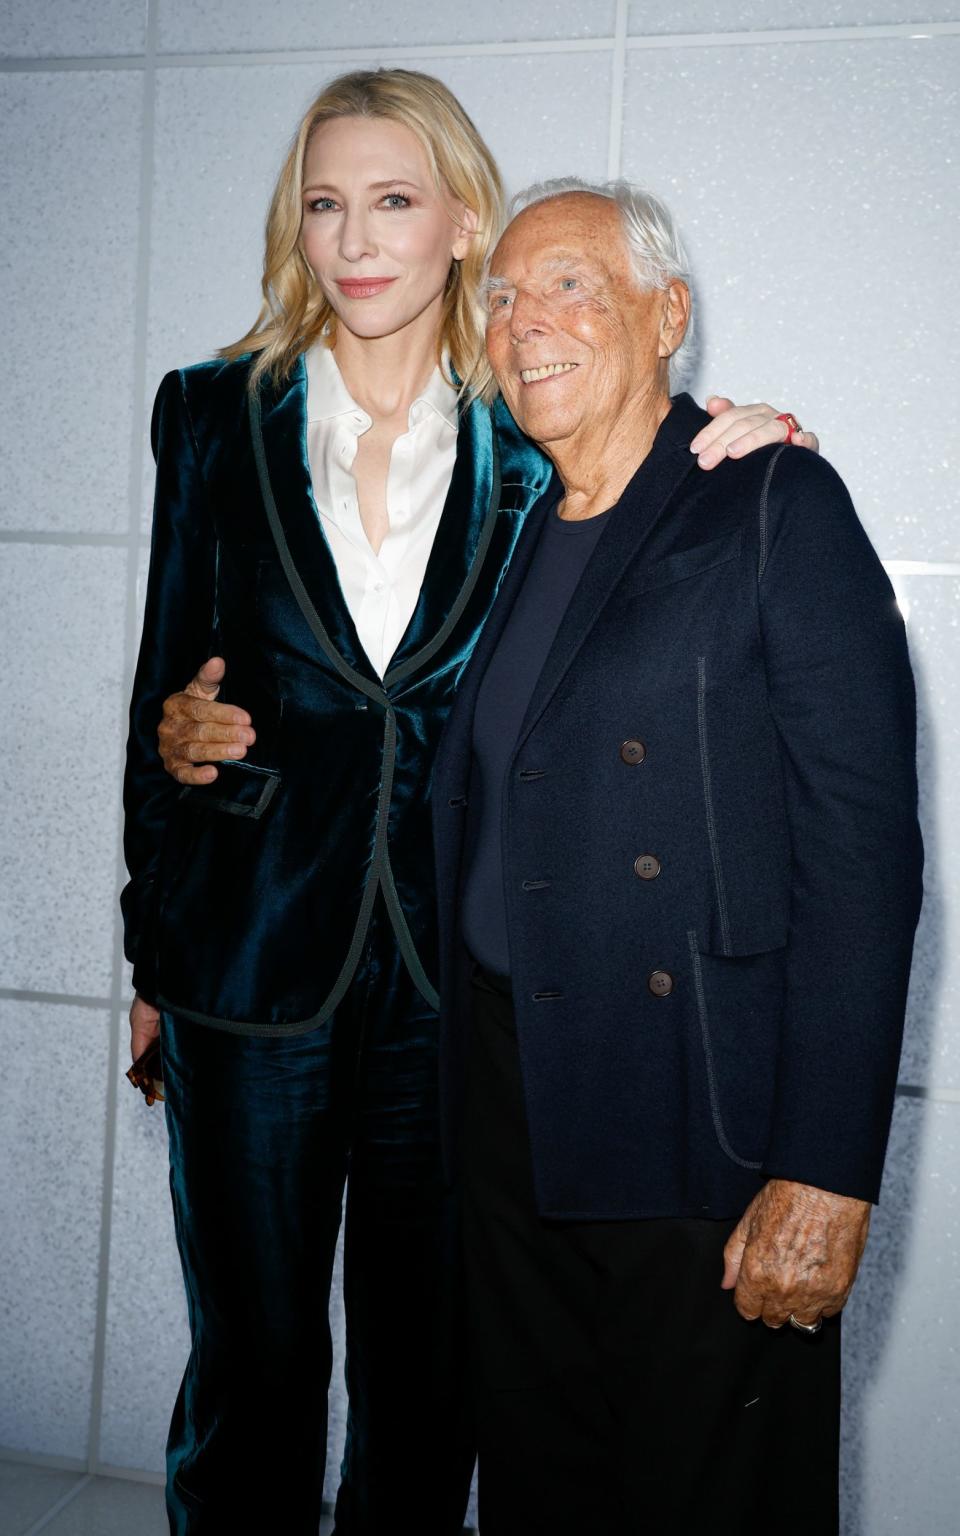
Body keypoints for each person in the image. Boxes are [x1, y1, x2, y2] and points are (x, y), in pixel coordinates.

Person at [125, 68, 818, 1534]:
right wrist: (150, 948)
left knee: (432, 1373)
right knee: (249, 1360)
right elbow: (159, 700)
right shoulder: (209, 414)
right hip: (246, 965)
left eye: (392, 200)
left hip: (462, 986)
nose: (355, 237)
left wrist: (752, 443)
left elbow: (660, 493)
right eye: (324, 204)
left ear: (458, 223)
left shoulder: (531, 425)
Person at [430, 178, 923, 1535]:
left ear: (669, 316)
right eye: (505, 294)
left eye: (571, 285)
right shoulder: (509, 532)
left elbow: (866, 852)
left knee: (708, 1502)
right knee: (542, 1488)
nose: (527, 321)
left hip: (697, 1117)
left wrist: (827, 1170)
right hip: (510, 1104)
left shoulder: (771, 500)